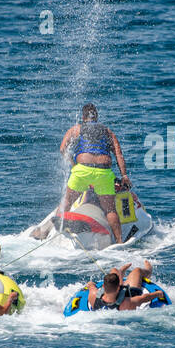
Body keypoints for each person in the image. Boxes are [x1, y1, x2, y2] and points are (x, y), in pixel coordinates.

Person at [54, 103, 131, 244]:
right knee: (110, 209)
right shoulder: (108, 131)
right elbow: (118, 154)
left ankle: (57, 233)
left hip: (82, 171)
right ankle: (119, 242)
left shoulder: (76, 129)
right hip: (103, 173)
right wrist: (124, 176)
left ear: (83, 117)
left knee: (67, 201)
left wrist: (73, 165)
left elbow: (62, 149)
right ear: (96, 117)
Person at [83, 260, 165, 311]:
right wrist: (158, 293)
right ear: (119, 287)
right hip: (130, 294)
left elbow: (90, 285)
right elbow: (144, 298)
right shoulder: (126, 303)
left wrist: (91, 284)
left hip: (114, 292)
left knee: (114, 270)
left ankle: (120, 272)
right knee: (137, 271)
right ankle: (148, 270)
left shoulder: (93, 295)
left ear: (103, 286)